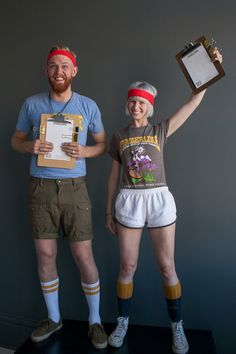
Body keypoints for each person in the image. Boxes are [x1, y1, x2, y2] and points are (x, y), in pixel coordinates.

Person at [105, 49, 222, 353]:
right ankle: (122, 322)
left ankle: (177, 326)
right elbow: (112, 176)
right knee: (127, 265)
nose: (136, 106)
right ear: (127, 104)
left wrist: (209, 69)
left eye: (141, 102)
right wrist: (108, 212)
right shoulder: (118, 136)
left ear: (149, 107)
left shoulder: (160, 130)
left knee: (166, 266)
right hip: (128, 200)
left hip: (158, 198)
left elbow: (193, 101)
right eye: (132, 101)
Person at [11, 45, 108, 349]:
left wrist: (85, 152)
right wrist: (29, 147)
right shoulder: (31, 104)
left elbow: (102, 143)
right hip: (40, 187)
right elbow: (16, 140)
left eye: (64, 66)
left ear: (74, 71)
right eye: (53, 66)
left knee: (83, 256)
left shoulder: (88, 105)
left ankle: (94, 321)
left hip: (74, 187)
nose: (59, 72)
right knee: (45, 255)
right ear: (46, 71)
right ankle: (54, 318)